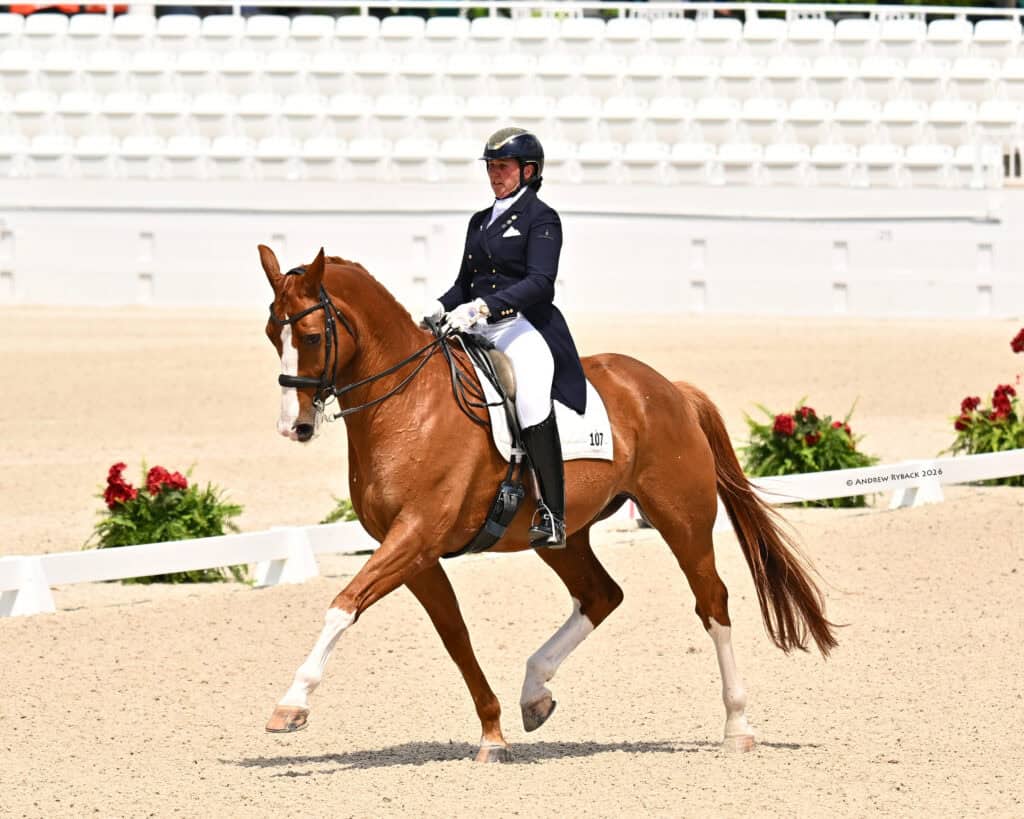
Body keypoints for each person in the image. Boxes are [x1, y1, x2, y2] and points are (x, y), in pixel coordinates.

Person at [423, 127, 587, 549]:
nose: (495, 175)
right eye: (491, 167)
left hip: (522, 324)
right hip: (475, 323)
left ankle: (552, 513)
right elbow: (465, 283)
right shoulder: (480, 221)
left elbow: (540, 283)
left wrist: (484, 307)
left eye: (503, 167)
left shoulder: (542, 217)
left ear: (528, 171)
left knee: (531, 397)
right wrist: (439, 307)